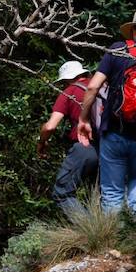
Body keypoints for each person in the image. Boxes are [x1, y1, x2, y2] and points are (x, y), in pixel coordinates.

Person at [76, 9, 136, 213]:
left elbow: (93, 87)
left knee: (112, 190)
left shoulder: (118, 49)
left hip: (114, 131)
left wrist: (83, 119)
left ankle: (113, 240)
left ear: (133, 31)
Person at [38, 60, 98, 215]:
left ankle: (90, 233)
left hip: (84, 148)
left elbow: (50, 126)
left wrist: (42, 142)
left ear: (66, 79)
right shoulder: (101, 86)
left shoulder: (69, 92)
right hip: (109, 147)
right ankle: (111, 234)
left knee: (62, 193)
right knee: (100, 194)